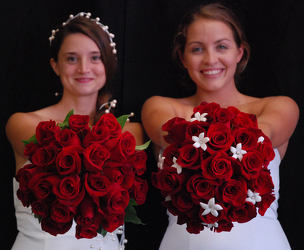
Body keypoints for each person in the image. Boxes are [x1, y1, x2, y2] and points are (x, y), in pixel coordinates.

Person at [141, 3, 299, 250]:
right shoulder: (160, 107)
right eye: (197, 49)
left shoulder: (278, 107)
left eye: (222, 46)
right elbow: (173, 137)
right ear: (182, 57)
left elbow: (260, 135)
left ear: (240, 52)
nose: (210, 59)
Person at [6, 12, 144, 250]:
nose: (83, 68)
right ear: (55, 65)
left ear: (108, 64)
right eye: (71, 58)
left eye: (95, 58)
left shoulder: (130, 131)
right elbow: (60, 150)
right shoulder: (24, 123)